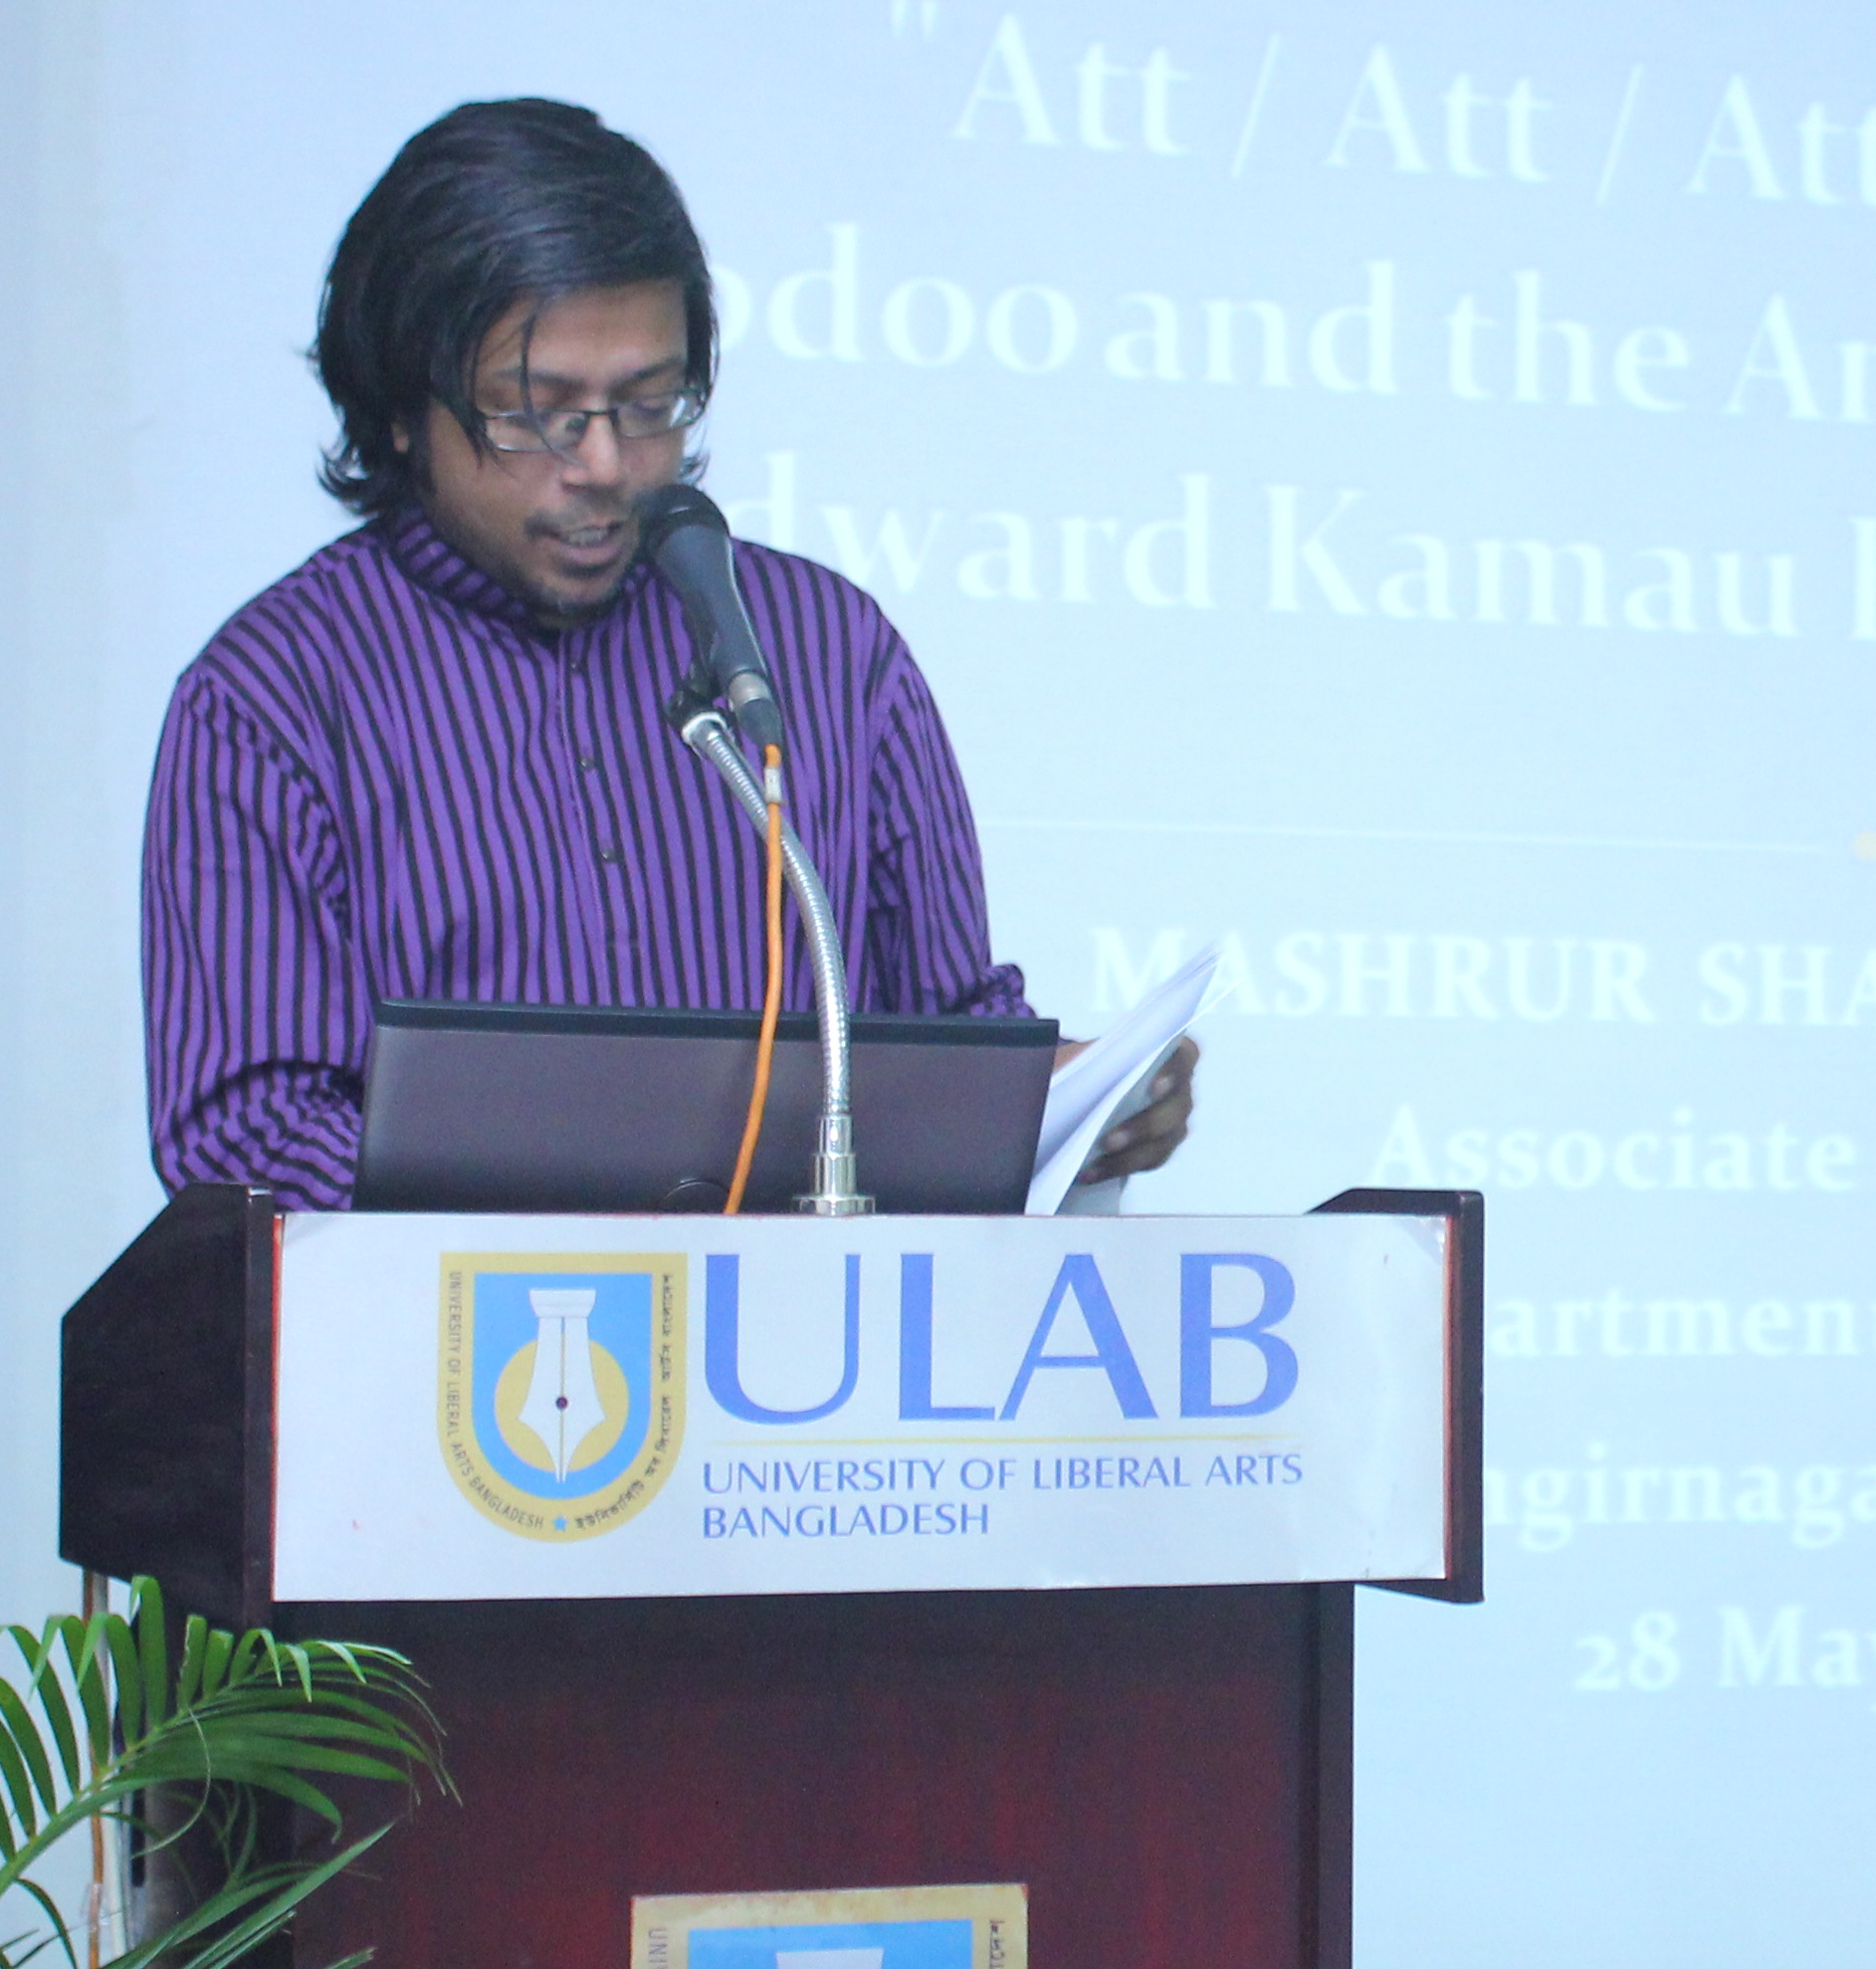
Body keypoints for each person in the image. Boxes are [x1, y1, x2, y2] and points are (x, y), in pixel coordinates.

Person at [140, 99, 1194, 1206]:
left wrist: (1068, 1102)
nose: (604, 465)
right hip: (465, 1321)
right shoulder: (271, 701)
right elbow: (246, 1137)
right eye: (534, 413)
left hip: (804, 1320)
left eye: (649, 406)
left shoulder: (831, 655)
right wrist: (564, 1230)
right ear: (403, 409)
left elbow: (943, 1035)